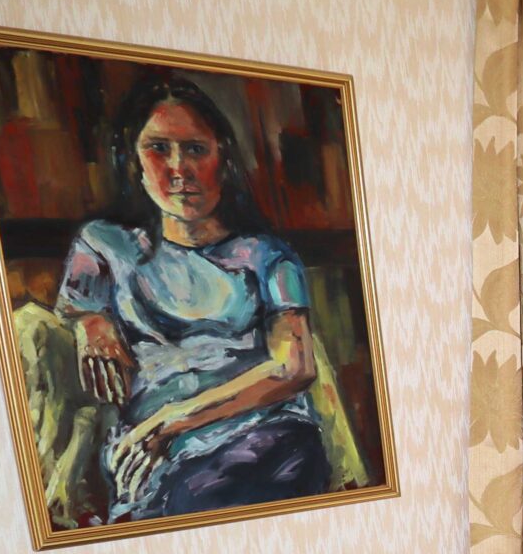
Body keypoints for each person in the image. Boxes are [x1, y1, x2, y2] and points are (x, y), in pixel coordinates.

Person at [56, 74, 333, 521]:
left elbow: (294, 367)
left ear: (222, 160)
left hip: (264, 438)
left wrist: (174, 421)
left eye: (196, 149)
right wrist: (90, 321)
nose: (179, 169)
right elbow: (76, 305)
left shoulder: (267, 257)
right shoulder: (105, 245)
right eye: (158, 148)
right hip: (154, 457)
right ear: (133, 162)